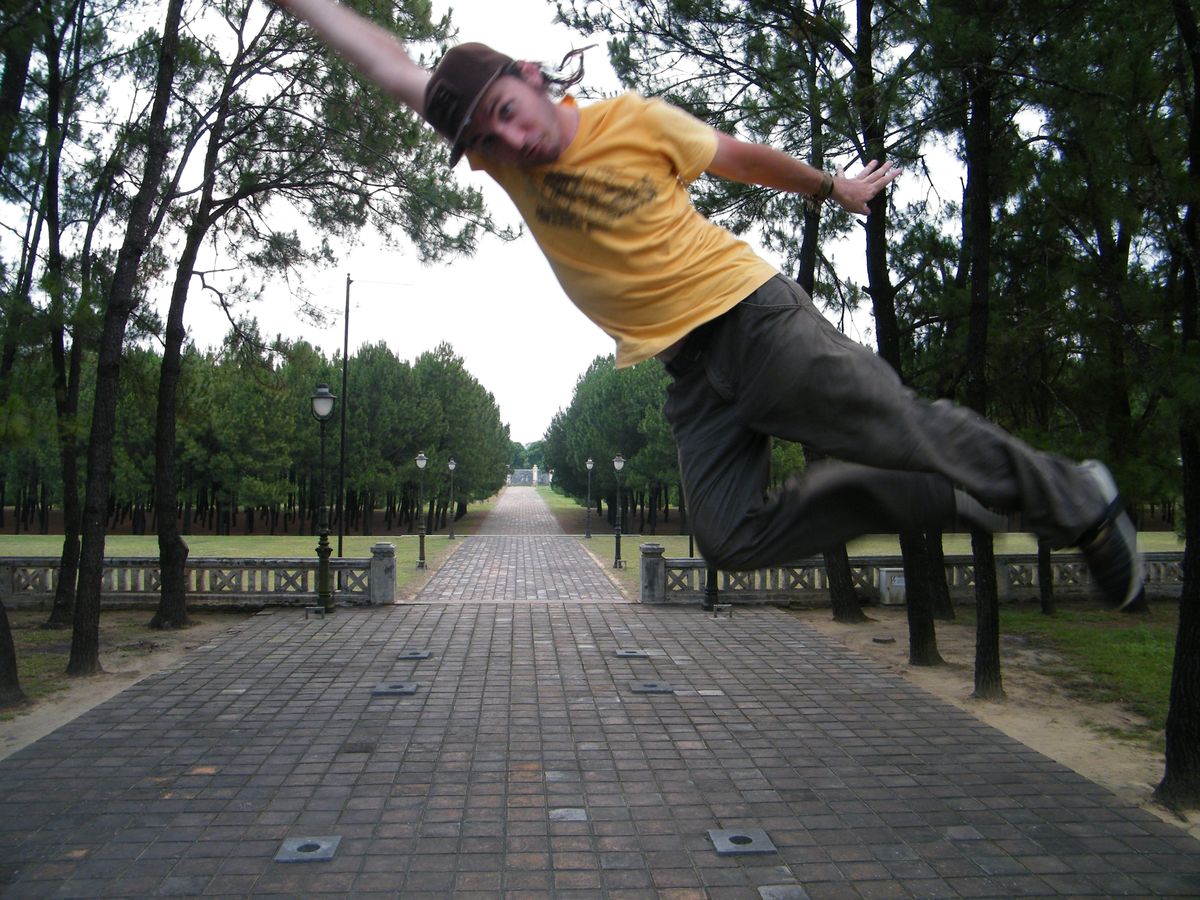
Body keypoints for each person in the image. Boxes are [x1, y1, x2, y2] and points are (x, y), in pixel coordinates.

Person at [274, 0, 1143, 608]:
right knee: (729, 537)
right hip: (693, 375)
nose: (508, 138)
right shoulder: (500, 153)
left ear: (532, 78)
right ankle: (945, 500)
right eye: (486, 138)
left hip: (752, 320)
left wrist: (830, 187)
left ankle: (1080, 500)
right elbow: (387, 60)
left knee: (898, 424)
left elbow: (740, 157)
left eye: (507, 112)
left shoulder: (636, 122)